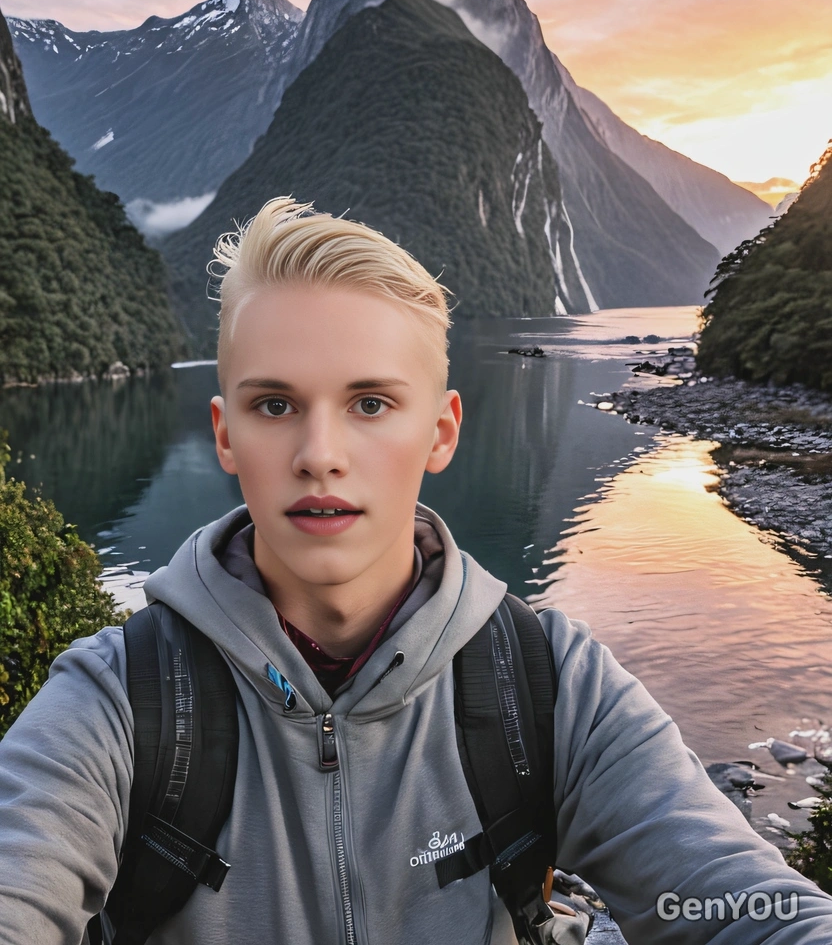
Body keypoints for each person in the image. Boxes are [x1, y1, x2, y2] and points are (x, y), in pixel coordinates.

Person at [0, 195, 830, 945]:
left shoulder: (550, 686)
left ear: (440, 431)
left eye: (370, 404)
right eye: (275, 405)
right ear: (225, 434)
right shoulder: (119, 702)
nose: (320, 456)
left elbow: (740, 908)